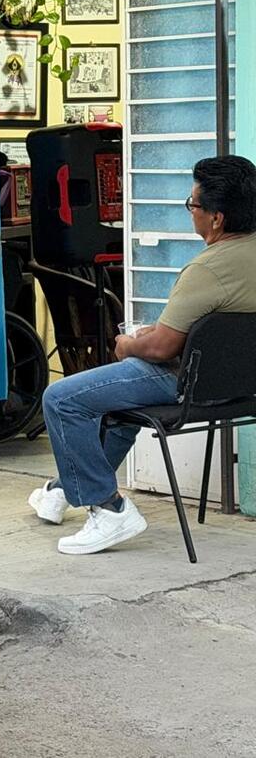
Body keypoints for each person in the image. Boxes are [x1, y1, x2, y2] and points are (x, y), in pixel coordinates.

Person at [32, 155, 256, 555]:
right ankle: (63, 490)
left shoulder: (208, 268)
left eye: (193, 206)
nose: (192, 214)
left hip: (184, 384)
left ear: (217, 218)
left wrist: (127, 343)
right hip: (241, 386)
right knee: (116, 409)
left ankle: (110, 508)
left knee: (62, 398)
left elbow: (161, 348)